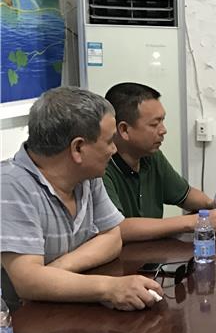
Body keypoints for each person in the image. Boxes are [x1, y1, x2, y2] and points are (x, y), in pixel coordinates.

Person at [0, 87, 162, 312]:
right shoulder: (10, 185)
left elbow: (112, 237)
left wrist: (57, 269)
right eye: (109, 141)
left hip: (67, 310)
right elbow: (28, 282)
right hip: (21, 324)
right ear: (78, 148)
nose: (114, 150)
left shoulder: (87, 175)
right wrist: (109, 288)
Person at [103, 82, 216, 242]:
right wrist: (193, 221)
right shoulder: (101, 167)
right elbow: (118, 229)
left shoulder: (151, 157)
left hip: (151, 252)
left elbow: (185, 195)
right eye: (154, 124)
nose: (163, 130)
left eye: (162, 121)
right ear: (124, 130)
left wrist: (212, 204)